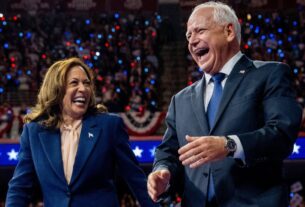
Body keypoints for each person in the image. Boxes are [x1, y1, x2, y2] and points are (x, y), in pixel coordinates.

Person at [147, 2, 302, 207]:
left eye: (199, 30)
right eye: (188, 35)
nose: (192, 40)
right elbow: (168, 151)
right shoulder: (180, 100)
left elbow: (281, 135)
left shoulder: (270, 75)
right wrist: (162, 171)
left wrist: (229, 145)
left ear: (229, 31)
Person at [6, 57, 157, 207]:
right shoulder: (34, 132)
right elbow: (19, 187)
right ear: (56, 90)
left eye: (86, 83)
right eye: (74, 83)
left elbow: (136, 180)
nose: (83, 89)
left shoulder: (109, 126)